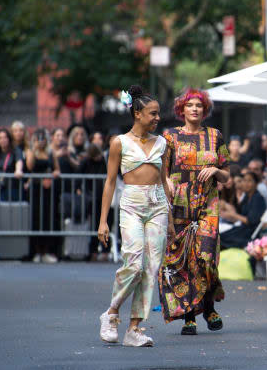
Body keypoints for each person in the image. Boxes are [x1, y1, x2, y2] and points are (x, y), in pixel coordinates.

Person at [97, 84, 171, 347]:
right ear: (137, 114)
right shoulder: (119, 143)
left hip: (159, 206)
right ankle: (112, 312)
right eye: (153, 113)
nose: (158, 118)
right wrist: (103, 220)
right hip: (131, 204)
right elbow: (109, 182)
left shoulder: (162, 143)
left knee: (151, 268)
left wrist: (171, 219)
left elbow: (164, 182)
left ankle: (134, 329)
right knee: (134, 263)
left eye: (158, 113)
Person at [158, 88, 230, 335]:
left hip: (207, 203)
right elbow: (161, 171)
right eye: (190, 105)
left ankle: (208, 306)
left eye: (199, 105)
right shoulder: (170, 137)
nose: (195, 109)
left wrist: (216, 171)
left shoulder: (215, 136)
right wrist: (166, 181)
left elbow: (227, 175)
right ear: (182, 109)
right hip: (179, 205)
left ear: (205, 109)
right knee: (185, 260)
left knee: (206, 258)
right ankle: (190, 315)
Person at [26, 128, 60, 263]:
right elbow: (29, 167)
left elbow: (57, 169)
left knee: (47, 219)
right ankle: (36, 251)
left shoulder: (51, 153)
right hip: (35, 189)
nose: (40, 141)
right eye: (37, 139)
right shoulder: (31, 152)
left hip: (48, 190)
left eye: (43, 139)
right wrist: (34, 150)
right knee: (35, 219)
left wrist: (54, 175)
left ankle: (46, 251)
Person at [219, 171, 266, 249]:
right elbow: (239, 213)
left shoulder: (258, 198)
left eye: (249, 181)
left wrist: (233, 215)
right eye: (244, 180)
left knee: (223, 238)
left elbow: (250, 221)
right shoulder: (247, 197)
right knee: (220, 236)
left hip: (251, 233)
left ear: (256, 184)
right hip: (242, 228)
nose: (246, 183)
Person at [0, 128, 24, 201]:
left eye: (5, 137)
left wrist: (18, 170)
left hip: (12, 188)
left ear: (9, 139)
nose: (3, 140)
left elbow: (19, 160)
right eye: (0, 138)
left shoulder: (15, 150)